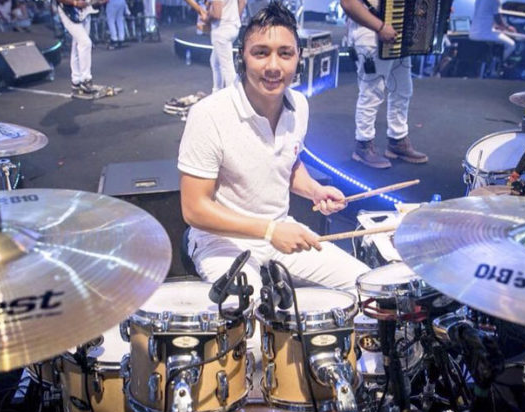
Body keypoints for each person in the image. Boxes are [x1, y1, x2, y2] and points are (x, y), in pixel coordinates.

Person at [178, 2, 369, 300]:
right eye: (261, 53)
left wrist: (315, 190)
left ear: (298, 57)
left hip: (279, 230)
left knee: (366, 287)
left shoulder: (299, 105)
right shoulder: (209, 114)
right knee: (250, 312)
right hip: (221, 241)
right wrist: (269, 231)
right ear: (242, 56)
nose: (273, 66)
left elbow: (288, 163)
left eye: (285, 53)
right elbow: (194, 208)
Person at [341, 0, 429, 169]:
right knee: (372, 93)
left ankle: (397, 140)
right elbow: (348, 3)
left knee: (402, 89)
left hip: (396, 31)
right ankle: (363, 144)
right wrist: (380, 27)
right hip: (370, 34)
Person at [185, 0, 246, 91]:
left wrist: (206, 18)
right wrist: (236, 18)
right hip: (233, 27)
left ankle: (233, 94)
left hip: (221, 30)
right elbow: (243, 2)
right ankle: (217, 91)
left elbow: (217, 14)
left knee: (227, 66)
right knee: (215, 62)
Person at [56, 0, 108, 95]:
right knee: (85, 43)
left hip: (84, 12)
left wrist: (99, 2)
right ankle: (86, 80)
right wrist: (75, 3)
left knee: (77, 45)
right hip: (69, 11)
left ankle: (76, 81)